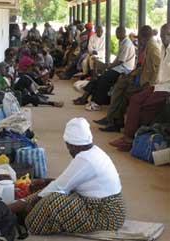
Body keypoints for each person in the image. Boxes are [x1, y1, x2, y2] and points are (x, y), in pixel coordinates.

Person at [9, 117, 125, 235]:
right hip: (106, 207)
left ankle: (24, 219)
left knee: (53, 201)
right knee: (47, 190)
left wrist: (33, 203)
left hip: (106, 214)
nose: (69, 150)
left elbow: (58, 187)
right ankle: (14, 210)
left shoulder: (85, 159)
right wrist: (45, 182)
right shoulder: (93, 151)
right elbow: (65, 182)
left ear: (73, 145)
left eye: (68, 146)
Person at [110, 23, 170, 151]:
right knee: (135, 99)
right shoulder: (163, 48)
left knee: (146, 106)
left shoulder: (154, 47)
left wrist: (151, 83)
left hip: (165, 88)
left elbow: (155, 66)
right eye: (163, 34)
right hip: (157, 85)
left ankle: (133, 138)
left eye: (168, 34)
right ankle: (127, 136)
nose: (165, 37)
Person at [94, 25, 161, 132]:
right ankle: (114, 120)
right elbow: (142, 66)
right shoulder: (148, 46)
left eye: (139, 38)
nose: (139, 40)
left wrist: (150, 84)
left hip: (147, 84)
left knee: (120, 90)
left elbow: (157, 69)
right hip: (140, 78)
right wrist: (131, 75)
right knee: (119, 87)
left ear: (144, 37)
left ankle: (114, 121)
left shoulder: (153, 48)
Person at [73, 26, 136, 109]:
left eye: (118, 32)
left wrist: (109, 67)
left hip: (124, 69)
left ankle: (96, 102)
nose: (117, 35)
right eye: (116, 32)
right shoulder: (123, 42)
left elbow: (121, 61)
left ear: (123, 33)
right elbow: (118, 59)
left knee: (103, 80)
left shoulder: (127, 44)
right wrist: (110, 67)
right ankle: (85, 98)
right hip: (119, 68)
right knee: (97, 78)